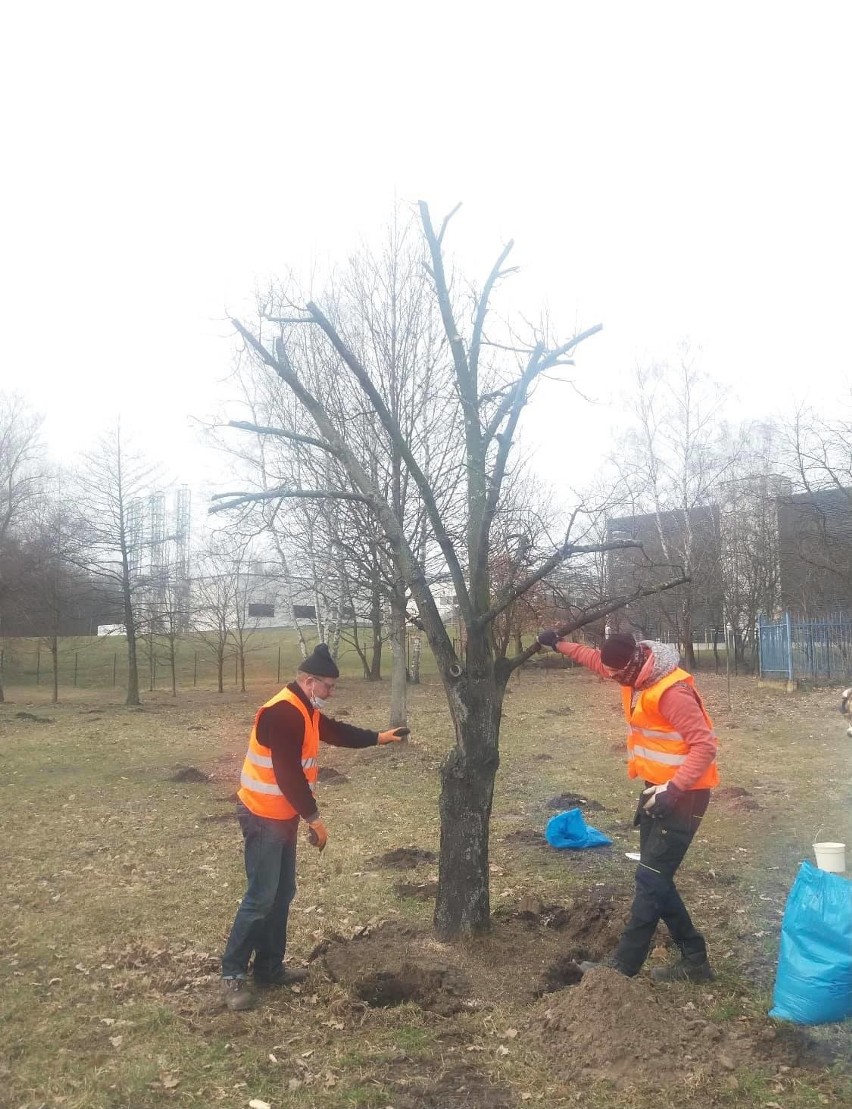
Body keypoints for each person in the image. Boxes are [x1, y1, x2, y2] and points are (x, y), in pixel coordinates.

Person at [221, 643, 408, 1010]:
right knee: (261, 895)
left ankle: (270, 968)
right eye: (329, 686)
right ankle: (232, 975)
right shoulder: (282, 713)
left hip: (282, 815)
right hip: (262, 815)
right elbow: (287, 774)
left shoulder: (305, 708)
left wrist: (378, 737)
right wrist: (314, 818)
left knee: (282, 892)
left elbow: (335, 731)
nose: (332, 692)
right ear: (309, 681)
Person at [536, 629, 719, 983]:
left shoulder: (673, 692)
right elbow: (594, 659)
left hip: (685, 794)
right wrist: (557, 643)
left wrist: (674, 789)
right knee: (655, 875)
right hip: (658, 789)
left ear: (635, 664)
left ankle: (622, 968)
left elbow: (704, 746)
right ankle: (695, 958)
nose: (612, 679)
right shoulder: (632, 669)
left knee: (650, 879)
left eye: (617, 675)